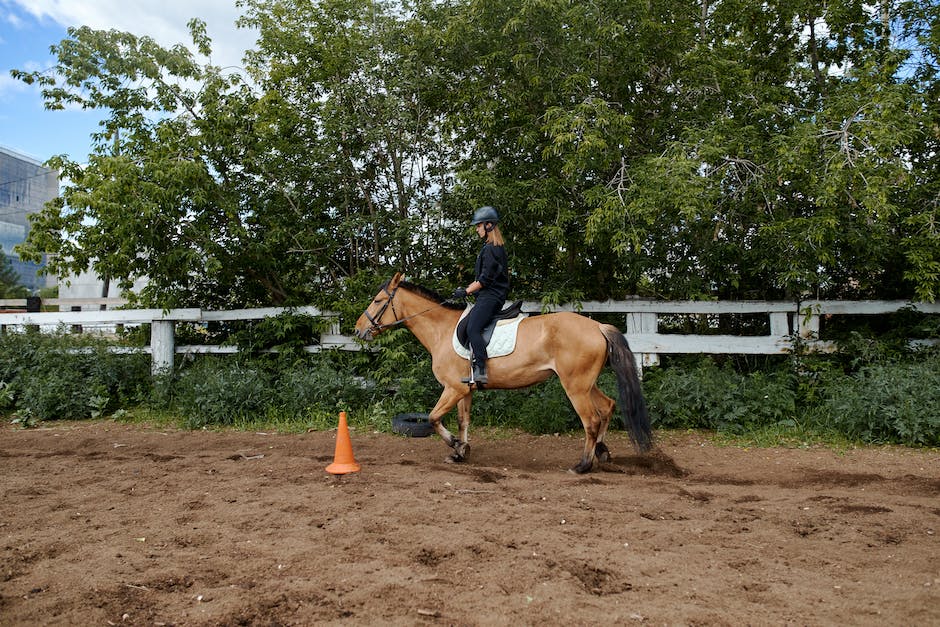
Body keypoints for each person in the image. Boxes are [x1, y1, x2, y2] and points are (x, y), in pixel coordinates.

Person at [451, 205, 510, 386]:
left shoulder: (492, 248)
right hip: (488, 295)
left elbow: (484, 280)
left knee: (473, 329)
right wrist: (467, 289)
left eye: (478, 226)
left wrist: (466, 291)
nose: (477, 229)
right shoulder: (491, 248)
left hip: (491, 297)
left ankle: (481, 370)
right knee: (468, 325)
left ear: (489, 226)